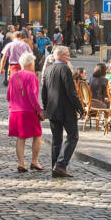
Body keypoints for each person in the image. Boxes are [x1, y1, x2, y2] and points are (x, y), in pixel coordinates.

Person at [41, 46, 83, 178]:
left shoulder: (48, 69)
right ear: (60, 55)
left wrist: (46, 107)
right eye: (67, 55)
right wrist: (80, 109)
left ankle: (55, 166)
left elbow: (44, 91)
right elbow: (71, 92)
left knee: (56, 139)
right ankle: (60, 165)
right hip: (66, 110)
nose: (69, 57)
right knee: (73, 136)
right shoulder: (64, 68)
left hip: (52, 109)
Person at [7, 52, 45, 172]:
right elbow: (32, 96)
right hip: (28, 111)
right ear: (29, 63)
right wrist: (39, 110)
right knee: (37, 135)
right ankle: (34, 161)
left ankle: (21, 163)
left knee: (20, 137)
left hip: (15, 111)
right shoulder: (31, 76)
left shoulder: (14, 76)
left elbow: (8, 95)